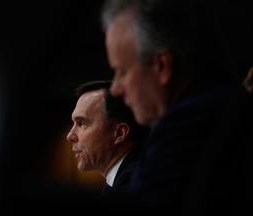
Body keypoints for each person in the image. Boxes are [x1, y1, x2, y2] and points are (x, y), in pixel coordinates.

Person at [100, 0, 253, 214]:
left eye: (123, 71)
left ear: (162, 66)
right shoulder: (224, 105)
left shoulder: (189, 124)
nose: (115, 89)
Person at [66, 80, 149, 199]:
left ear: (119, 133)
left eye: (82, 123)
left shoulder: (133, 186)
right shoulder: (122, 180)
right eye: (73, 123)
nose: (70, 136)